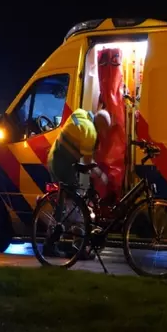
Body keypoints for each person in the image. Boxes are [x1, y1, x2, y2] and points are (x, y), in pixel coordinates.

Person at [46, 109, 111, 257]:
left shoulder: (81, 114)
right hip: (63, 165)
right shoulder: (91, 133)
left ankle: (50, 244)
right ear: (100, 127)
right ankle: (79, 247)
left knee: (62, 206)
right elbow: (88, 163)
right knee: (76, 206)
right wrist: (101, 175)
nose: (104, 134)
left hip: (55, 158)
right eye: (105, 130)